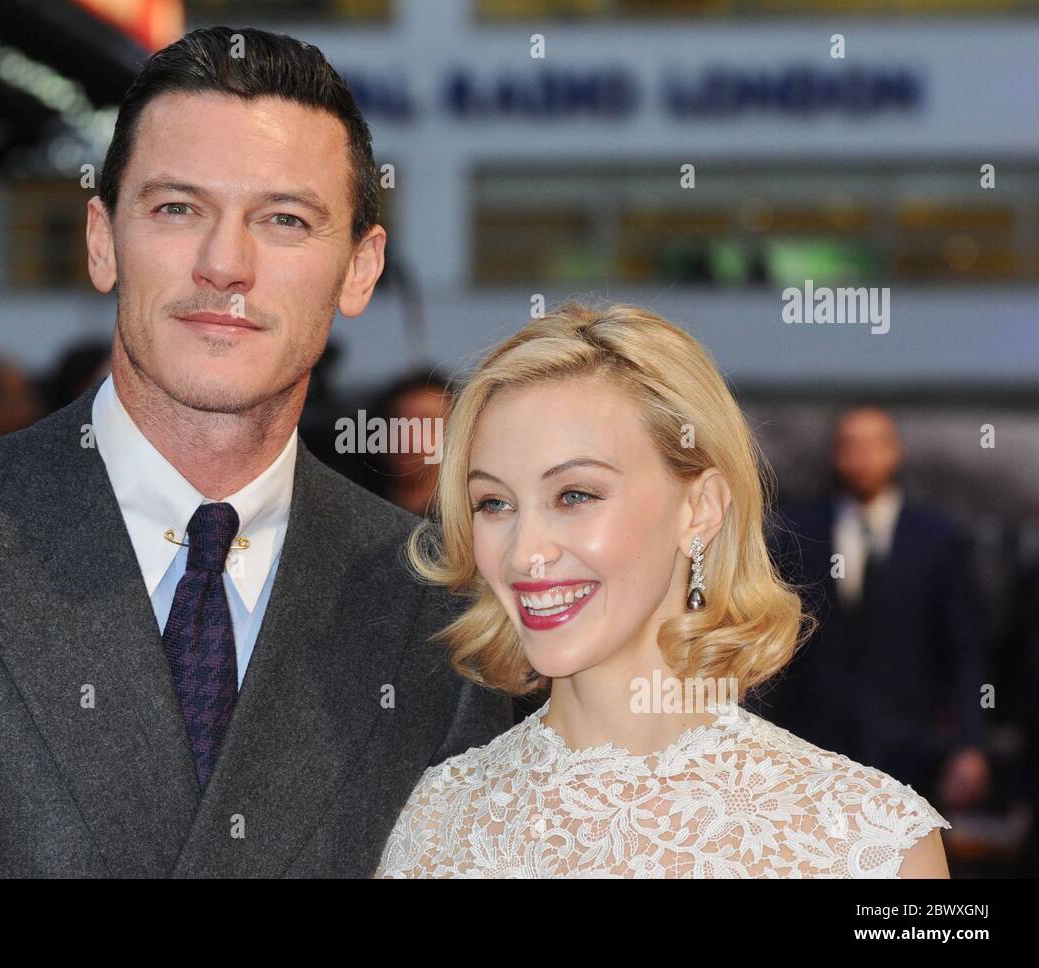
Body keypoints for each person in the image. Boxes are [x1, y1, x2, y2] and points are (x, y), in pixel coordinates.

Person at [0, 27, 510, 878]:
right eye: (178, 209)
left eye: (285, 220)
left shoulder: (444, 608)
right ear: (103, 241)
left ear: (359, 271)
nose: (226, 265)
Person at [375, 301, 949, 878]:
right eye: (493, 503)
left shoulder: (871, 840)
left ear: (699, 508)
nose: (525, 552)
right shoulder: (433, 823)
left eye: (575, 495)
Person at [758, 407, 990, 812]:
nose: (863, 457)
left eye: (875, 444)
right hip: (811, 744)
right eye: (851, 445)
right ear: (835, 454)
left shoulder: (940, 538)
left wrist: (971, 742)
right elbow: (770, 638)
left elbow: (965, 646)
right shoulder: (795, 532)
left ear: (895, 452)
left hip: (911, 746)